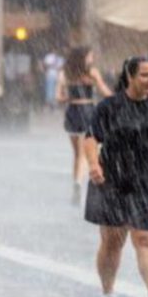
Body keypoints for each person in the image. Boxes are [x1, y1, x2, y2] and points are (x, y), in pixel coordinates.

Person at [83, 56, 148, 297]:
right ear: (130, 77)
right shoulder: (110, 107)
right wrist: (93, 164)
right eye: (145, 75)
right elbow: (91, 137)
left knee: (147, 238)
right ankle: (108, 293)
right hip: (113, 180)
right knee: (112, 241)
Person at [56, 47, 113, 205]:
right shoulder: (92, 73)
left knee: (77, 154)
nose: (92, 59)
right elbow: (104, 91)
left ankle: (77, 181)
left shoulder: (65, 74)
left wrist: (68, 97)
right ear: (84, 58)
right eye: (90, 56)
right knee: (88, 152)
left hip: (72, 112)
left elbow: (58, 97)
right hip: (87, 111)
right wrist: (119, 99)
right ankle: (83, 183)